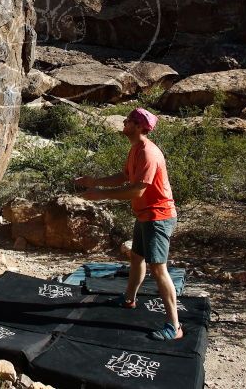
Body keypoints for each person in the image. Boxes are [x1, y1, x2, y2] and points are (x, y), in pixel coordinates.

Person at [74, 107, 182, 341]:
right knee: (136, 257)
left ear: (140, 127)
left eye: (129, 120)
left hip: (158, 217)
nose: (124, 122)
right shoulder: (135, 150)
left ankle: (175, 326)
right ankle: (129, 299)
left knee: (158, 268)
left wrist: (101, 195)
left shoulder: (149, 153)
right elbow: (124, 177)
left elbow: (137, 189)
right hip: (145, 215)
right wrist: (94, 181)